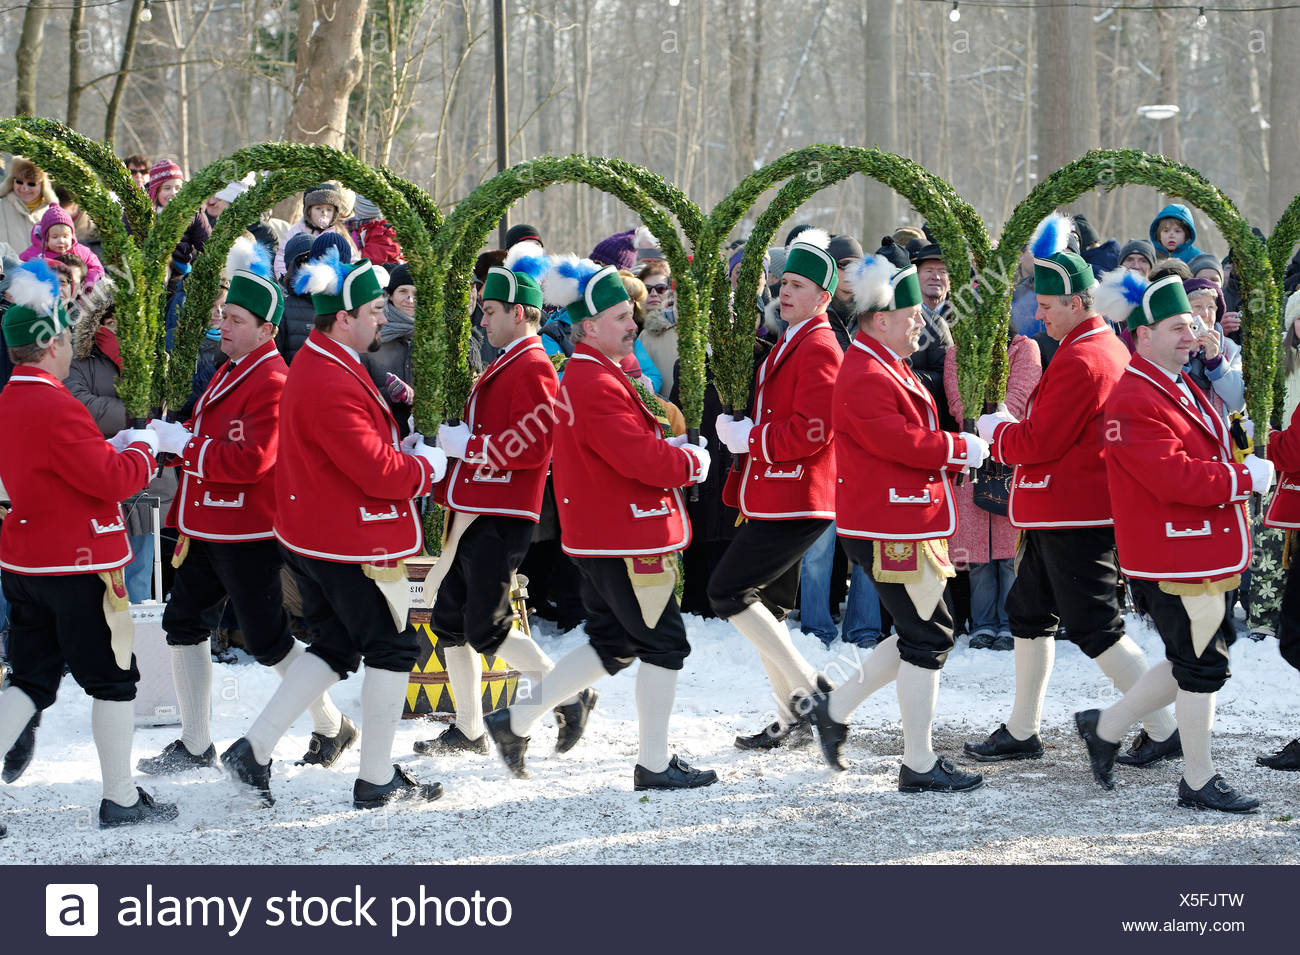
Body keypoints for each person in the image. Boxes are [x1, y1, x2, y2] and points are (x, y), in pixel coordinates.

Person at [221, 253, 447, 809]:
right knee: (394, 646)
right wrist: (428, 466)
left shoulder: (325, 359)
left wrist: (402, 445)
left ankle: (255, 748)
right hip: (351, 541)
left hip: (319, 537)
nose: (382, 320)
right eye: (374, 310)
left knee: (337, 645)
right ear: (343, 317)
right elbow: (373, 470)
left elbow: (355, 451)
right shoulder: (328, 374)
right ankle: (375, 779)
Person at [483, 259, 715, 790]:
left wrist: (671, 449)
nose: (632, 323)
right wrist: (688, 463)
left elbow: (623, 448)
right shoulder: (592, 378)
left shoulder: (598, 371)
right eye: (619, 317)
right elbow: (634, 457)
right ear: (589, 327)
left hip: (608, 534)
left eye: (631, 314)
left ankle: (515, 722)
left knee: (613, 642)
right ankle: (653, 764)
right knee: (664, 646)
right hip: (626, 535)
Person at [964, 213, 1180, 768]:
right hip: (1062, 509)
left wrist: (999, 433)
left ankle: (1164, 726)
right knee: (1029, 613)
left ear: (1077, 303)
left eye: (1047, 305)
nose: (1038, 313)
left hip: (1073, 513)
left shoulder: (1084, 358)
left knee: (1095, 626)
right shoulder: (1093, 346)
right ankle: (1022, 728)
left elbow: (1039, 442)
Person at [136, 239, 355, 776]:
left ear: (266, 330)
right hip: (204, 523)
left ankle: (333, 725)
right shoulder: (229, 369)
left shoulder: (275, 380)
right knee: (183, 622)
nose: (224, 325)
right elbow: (215, 435)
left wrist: (189, 447)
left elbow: (255, 459)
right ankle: (194, 741)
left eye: (235, 318)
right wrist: (175, 436)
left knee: (268, 641)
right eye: (223, 315)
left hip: (247, 530)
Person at [1078, 272, 1268, 812]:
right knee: (1203, 664)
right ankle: (1198, 779)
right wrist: (1242, 479)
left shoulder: (1177, 381)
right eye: (1177, 327)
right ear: (1141, 335)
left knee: (1195, 656)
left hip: (1199, 547)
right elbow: (1173, 478)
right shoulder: (1135, 396)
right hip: (1177, 552)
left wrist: (1242, 451)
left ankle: (1106, 727)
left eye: (1192, 324)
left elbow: (1204, 450)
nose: (1192, 334)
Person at [0, 259, 177, 832]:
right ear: (50, 344)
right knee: (112, 681)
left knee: (29, 680)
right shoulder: (56, 404)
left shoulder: (9, 400)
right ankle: (120, 797)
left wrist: (119, 446)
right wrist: (144, 449)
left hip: (25, 559)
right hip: (81, 564)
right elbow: (113, 481)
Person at [804, 256, 987, 791]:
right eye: (909, 314)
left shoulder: (883, 360)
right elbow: (896, 441)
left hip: (901, 519)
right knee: (928, 637)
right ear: (880, 318)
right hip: (888, 524)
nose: (919, 323)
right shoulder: (864, 369)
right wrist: (958, 447)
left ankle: (834, 709)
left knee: (920, 631)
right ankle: (919, 762)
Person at [413, 243, 585, 757]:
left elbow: (534, 445)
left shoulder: (532, 364)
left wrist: (468, 446)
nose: (482, 320)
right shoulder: (509, 360)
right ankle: (468, 729)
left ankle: (567, 691)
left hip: (500, 512)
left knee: (484, 627)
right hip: (476, 508)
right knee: (449, 622)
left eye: (489, 312)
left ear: (518, 313)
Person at [708, 229, 842, 750]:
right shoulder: (792, 338)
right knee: (763, 605)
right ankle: (791, 716)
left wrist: (750, 439)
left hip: (799, 495)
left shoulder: (819, 345)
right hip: (776, 493)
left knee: (728, 592)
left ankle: (812, 692)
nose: (785, 291)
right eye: (783, 282)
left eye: (799, 285)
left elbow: (814, 431)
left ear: (824, 297)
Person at [944, 328, 1042, 649]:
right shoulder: (957, 352)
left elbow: (1017, 400)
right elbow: (958, 403)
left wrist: (992, 428)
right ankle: (983, 624)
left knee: (1008, 550)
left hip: (1010, 456)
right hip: (972, 457)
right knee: (977, 557)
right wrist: (978, 429)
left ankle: (1009, 622)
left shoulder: (1025, 349)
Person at [272, 182, 357, 278]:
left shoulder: (339, 234)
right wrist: (285, 281)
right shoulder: (296, 232)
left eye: (329, 209)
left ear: (335, 213)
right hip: (300, 285)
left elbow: (352, 259)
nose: (324, 213)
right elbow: (281, 259)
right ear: (308, 211)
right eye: (318, 208)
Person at [18, 204, 105, 288]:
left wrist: (88, 281)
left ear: (72, 236)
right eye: (55, 237)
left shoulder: (80, 251)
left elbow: (97, 268)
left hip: (76, 295)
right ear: (46, 238)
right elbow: (19, 267)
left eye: (65, 236)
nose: (61, 241)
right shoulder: (35, 253)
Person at [0, 158, 56, 253]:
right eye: (19, 182)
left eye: (31, 184)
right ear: (11, 181)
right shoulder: (1, 208)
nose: (24, 188)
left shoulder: (53, 213)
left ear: (42, 185)